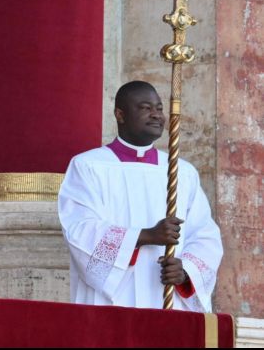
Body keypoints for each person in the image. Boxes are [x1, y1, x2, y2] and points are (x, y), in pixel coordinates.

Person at [58, 80, 222, 312]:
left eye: (159, 108)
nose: (156, 115)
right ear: (120, 115)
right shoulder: (88, 166)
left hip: (166, 300)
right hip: (112, 303)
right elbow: (79, 229)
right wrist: (146, 235)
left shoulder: (182, 172)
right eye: (145, 108)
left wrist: (185, 271)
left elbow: (205, 235)